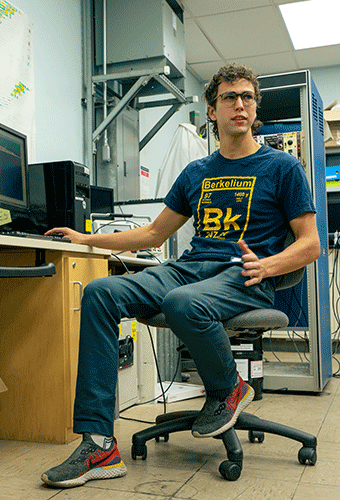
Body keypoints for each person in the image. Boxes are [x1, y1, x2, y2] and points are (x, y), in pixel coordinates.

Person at [40, 63, 321, 489]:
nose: (240, 105)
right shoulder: (196, 173)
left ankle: (228, 389)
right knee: (99, 293)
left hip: (244, 275)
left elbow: (310, 244)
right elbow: (154, 232)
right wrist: (85, 240)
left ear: (254, 107)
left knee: (182, 303)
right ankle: (99, 444)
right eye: (229, 98)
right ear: (212, 110)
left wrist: (267, 265)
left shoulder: (282, 168)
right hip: (189, 269)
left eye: (247, 97)